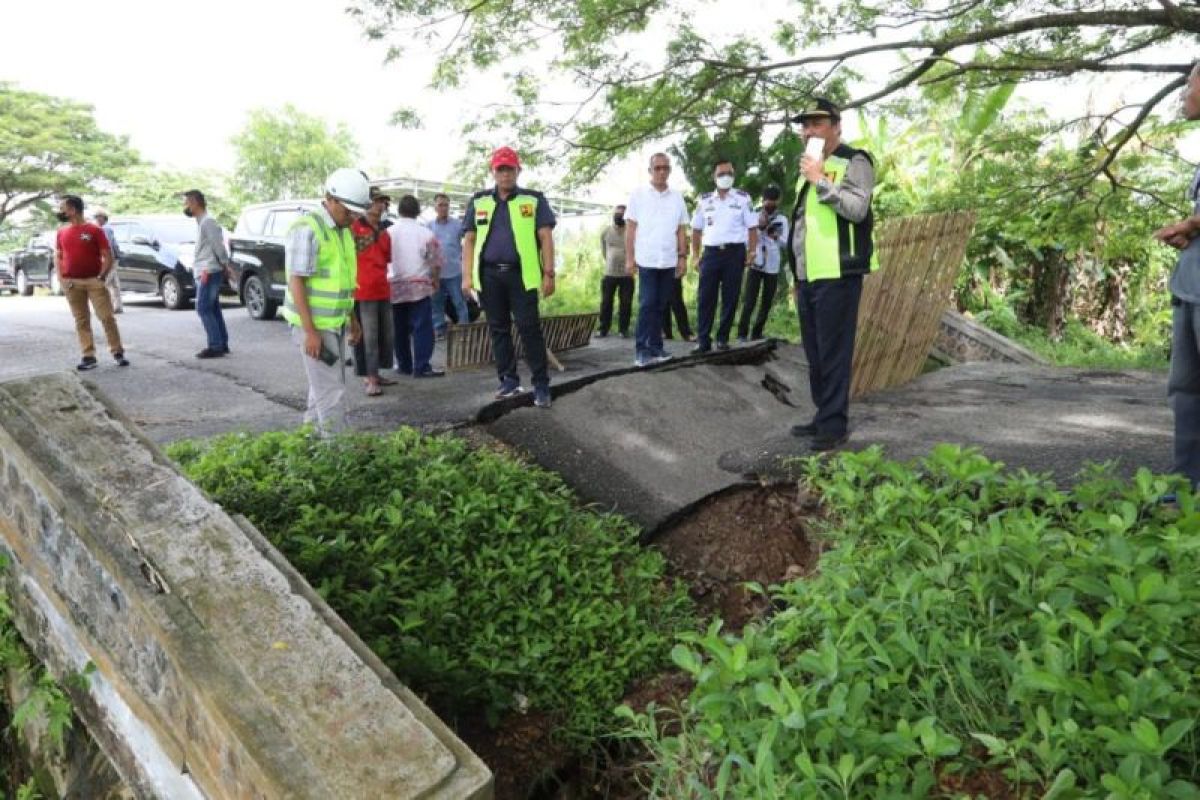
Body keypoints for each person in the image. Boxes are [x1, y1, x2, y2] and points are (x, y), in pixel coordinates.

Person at [786, 97, 879, 452]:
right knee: (815, 353)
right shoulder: (810, 167)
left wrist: (820, 179)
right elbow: (802, 226)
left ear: (837, 126)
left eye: (817, 123)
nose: (809, 130)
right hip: (810, 275)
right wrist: (796, 275)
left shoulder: (854, 160)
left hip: (839, 272)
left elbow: (857, 209)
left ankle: (834, 425)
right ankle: (823, 414)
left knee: (834, 352)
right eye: (805, 125)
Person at [461, 146, 557, 408]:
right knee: (498, 330)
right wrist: (466, 277)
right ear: (493, 171)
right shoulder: (479, 201)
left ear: (518, 170)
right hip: (489, 277)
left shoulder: (533, 199)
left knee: (529, 329)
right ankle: (509, 381)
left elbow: (545, 237)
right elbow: (469, 240)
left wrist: (549, 273)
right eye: (500, 169)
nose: (505, 174)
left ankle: (541, 385)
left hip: (522, 277)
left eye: (510, 169)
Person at [282, 168, 367, 433]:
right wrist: (310, 332)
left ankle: (306, 448)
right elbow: (297, 281)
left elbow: (343, 281)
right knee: (331, 393)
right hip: (315, 327)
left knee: (320, 390)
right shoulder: (308, 229)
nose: (352, 218)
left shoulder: (341, 230)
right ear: (330, 198)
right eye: (348, 211)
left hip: (334, 323)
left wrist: (352, 319)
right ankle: (339, 460)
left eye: (356, 213)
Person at [1153, 62, 1200, 491]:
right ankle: (1184, 491)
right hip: (1191, 288)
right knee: (1186, 390)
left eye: (1190, 84)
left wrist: (1193, 225)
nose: (1184, 93)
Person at [626, 154, 690, 367]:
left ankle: (656, 347)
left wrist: (682, 257)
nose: (661, 172)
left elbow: (681, 229)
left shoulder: (677, 197)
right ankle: (641, 350)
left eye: (665, 168)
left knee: (661, 305)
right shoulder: (638, 195)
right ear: (650, 170)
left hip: (669, 260)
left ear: (670, 170)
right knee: (647, 304)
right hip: (647, 259)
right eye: (657, 168)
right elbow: (631, 229)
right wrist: (629, 258)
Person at [689, 159, 758, 353]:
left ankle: (722, 338)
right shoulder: (704, 200)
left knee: (731, 297)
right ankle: (703, 340)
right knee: (705, 297)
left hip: (734, 254)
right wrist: (695, 256)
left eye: (729, 173)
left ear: (734, 176)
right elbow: (695, 230)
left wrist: (752, 252)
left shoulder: (743, 199)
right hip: (710, 254)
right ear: (714, 177)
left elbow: (752, 228)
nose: (725, 177)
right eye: (721, 174)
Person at [55, 195, 128, 370]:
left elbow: (107, 256)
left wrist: (101, 277)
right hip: (72, 283)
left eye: (62, 208)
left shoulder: (94, 230)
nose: (60, 212)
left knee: (107, 317)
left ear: (73, 210)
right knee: (81, 320)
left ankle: (117, 351)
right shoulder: (61, 232)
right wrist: (62, 279)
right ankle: (88, 356)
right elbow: (58, 256)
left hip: (94, 281)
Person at [387, 194, 444, 378]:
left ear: (399, 211)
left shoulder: (388, 233)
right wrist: (435, 279)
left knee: (399, 328)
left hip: (394, 286)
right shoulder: (426, 233)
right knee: (423, 327)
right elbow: (435, 261)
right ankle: (421, 366)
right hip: (419, 285)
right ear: (418, 211)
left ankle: (403, 365)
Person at [351, 187, 395, 395]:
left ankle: (375, 374)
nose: (380, 206)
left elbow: (387, 259)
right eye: (377, 201)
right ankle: (369, 379)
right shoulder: (354, 227)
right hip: (363, 290)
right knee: (368, 337)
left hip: (382, 288)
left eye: (383, 202)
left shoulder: (385, 232)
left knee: (385, 335)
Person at [183, 190, 233, 359]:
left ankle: (216, 345)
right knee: (212, 308)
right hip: (207, 269)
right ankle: (221, 343)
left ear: (195, 203)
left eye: (187, 202)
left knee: (203, 308)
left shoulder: (207, 222)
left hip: (208, 270)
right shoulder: (202, 222)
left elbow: (218, 245)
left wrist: (225, 264)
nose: (185, 206)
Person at [737, 186, 789, 342]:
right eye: (767, 202)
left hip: (772, 266)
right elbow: (746, 240)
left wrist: (775, 236)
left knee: (766, 302)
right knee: (749, 301)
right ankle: (742, 334)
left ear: (778, 201)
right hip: (756, 263)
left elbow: (786, 243)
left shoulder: (782, 219)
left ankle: (757, 333)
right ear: (763, 200)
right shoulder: (754, 215)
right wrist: (759, 228)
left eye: (773, 202)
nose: (770, 205)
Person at [428, 192, 469, 336]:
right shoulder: (428, 226)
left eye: (446, 205)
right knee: (436, 304)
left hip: (454, 273)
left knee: (459, 302)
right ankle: (439, 330)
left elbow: (469, 241)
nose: (443, 208)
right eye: (440, 205)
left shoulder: (458, 225)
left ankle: (464, 330)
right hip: (435, 275)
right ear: (435, 207)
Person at [598, 204, 633, 338]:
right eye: (617, 213)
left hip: (627, 274)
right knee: (606, 302)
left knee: (626, 302)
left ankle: (623, 330)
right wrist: (610, 260)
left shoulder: (631, 231)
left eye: (622, 214)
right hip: (609, 273)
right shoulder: (606, 231)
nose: (619, 216)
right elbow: (604, 250)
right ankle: (603, 329)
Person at [91, 207, 123, 313]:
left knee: (105, 282)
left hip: (110, 258)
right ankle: (117, 306)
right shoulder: (105, 228)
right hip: (113, 257)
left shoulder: (105, 229)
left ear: (104, 218)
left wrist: (106, 259)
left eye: (99, 217)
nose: (97, 219)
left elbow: (108, 245)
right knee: (114, 283)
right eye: (96, 217)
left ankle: (106, 306)